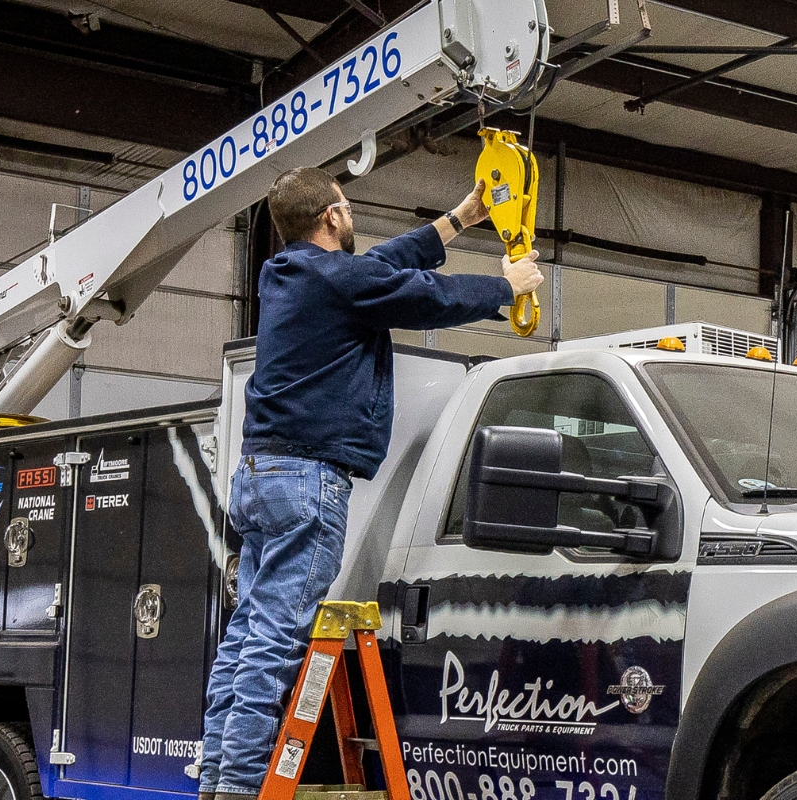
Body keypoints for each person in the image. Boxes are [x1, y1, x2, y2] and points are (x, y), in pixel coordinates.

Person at [196, 167, 543, 800]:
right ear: (330, 217)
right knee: (272, 641)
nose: (353, 219)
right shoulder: (338, 281)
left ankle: (218, 781)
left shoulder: (296, 277)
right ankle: (243, 789)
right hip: (307, 483)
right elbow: (421, 295)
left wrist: (461, 218)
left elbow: (383, 263)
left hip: (261, 478)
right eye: (348, 209)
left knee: (246, 634)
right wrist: (505, 285)